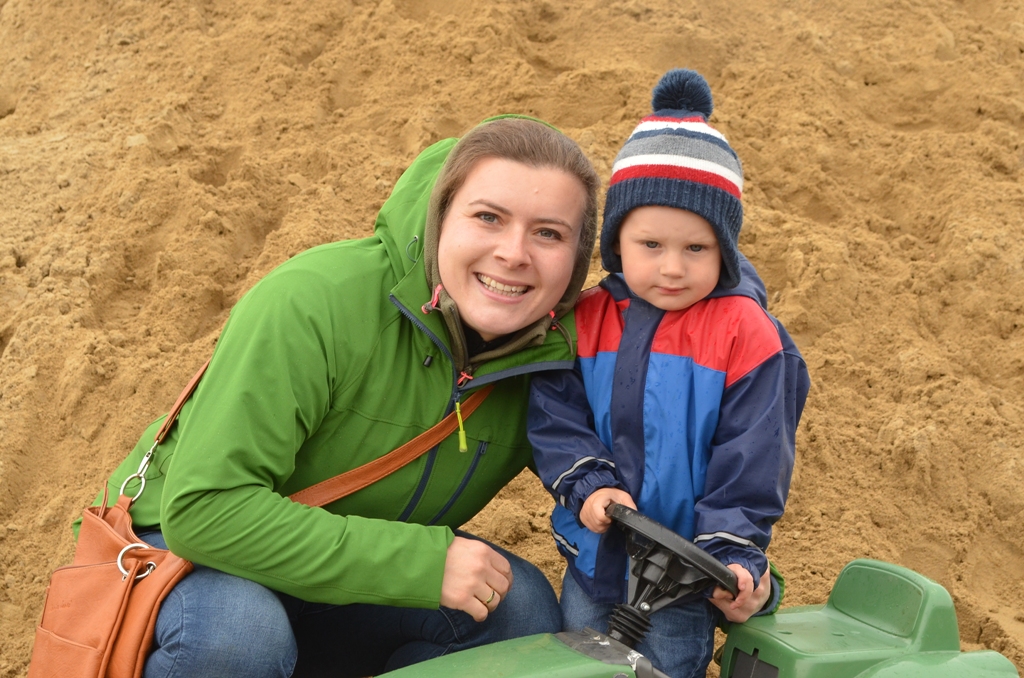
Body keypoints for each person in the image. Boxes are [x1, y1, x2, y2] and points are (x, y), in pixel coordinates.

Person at [79, 115, 602, 677]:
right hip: (196, 558)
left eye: (548, 233)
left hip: (340, 577)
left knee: (516, 608)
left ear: (577, 260)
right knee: (243, 633)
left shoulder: (559, 357)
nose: (514, 253)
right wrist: (420, 565)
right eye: (487, 217)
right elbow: (202, 512)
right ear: (439, 218)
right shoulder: (314, 301)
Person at [528, 69, 811, 677]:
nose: (673, 268)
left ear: (725, 248)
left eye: (696, 249)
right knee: (578, 663)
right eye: (650, 245)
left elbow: (754, 457)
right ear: (616, 240)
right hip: (594, 558)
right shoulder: (590, 318)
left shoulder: (747, 335)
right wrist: (587, 483)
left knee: (665, 669)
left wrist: (731, 550)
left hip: (684, 579)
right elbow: (554, 412)